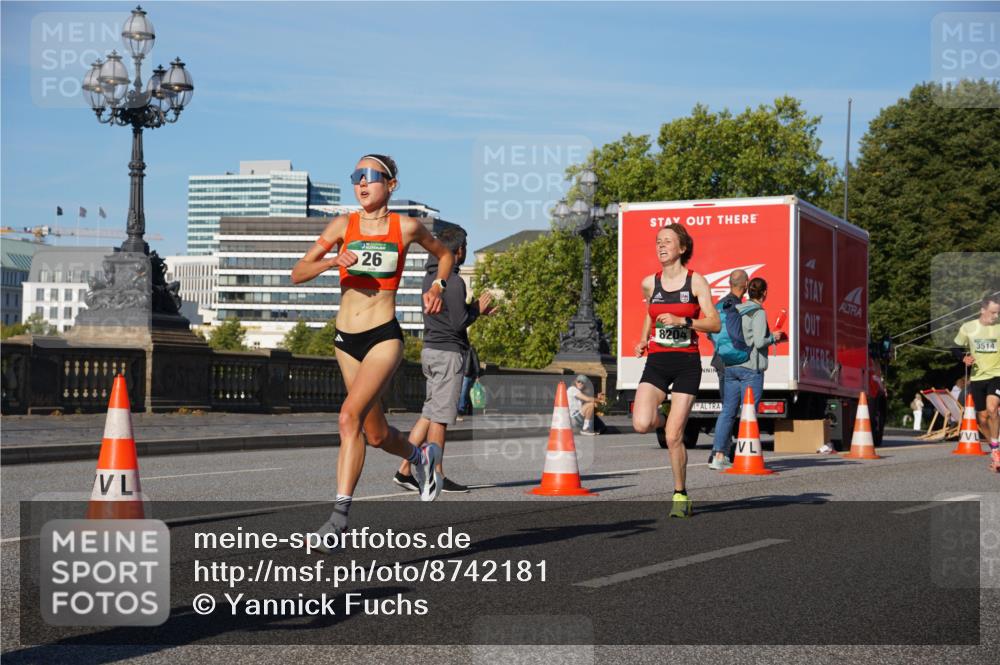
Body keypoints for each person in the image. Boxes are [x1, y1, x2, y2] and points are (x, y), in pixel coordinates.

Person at [291, 154, 454, 548]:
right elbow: (298, 273)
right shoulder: (342, 225)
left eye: (371, 176)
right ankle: (420, 458)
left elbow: (445, 255)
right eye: (356, 177)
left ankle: (338, 517)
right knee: (376, 434)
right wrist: (333, 260)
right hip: (346, 339)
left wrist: (438, 287)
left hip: (383, 335)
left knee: (348, 417)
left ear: (391, 185)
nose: (362, 183)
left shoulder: (406, 226)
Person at [393, 226, 495, 493]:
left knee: (429, 413)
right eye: (465, 248)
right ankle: (436, 474)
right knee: (440, 417)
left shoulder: (430, 280)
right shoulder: (454, 281)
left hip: (430, 350)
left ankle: (405, 470)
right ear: (458, 250)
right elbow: (459, 322)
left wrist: (472, 310)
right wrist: (477, 310)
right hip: (449, 353)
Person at [632, 225, 720, 518]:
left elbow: (714, 323)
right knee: (642, 424)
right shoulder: (650, 283)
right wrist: (644, 337)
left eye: (667, 241)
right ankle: (667, 417)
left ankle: (680, 494)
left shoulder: (696, 282)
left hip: (686, 364)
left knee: (672, 437)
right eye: (658, 241)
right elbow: (650, 312)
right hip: (657, 362)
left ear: (682, 248)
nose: (661, 246)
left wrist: (685, 322)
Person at [708, 277, 786, 469]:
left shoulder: (736, 308)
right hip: (750, 368)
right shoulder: (757, 312)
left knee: (727, 411)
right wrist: (774, 338)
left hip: (731, 365)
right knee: (748, 413)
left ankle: (718, 456)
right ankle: (745, 455)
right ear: (764, 293)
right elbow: (759, 342)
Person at [952, 294, 1000, 470]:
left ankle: (995, 450)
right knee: (982, 418)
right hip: (978, 377)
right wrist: (963, 357)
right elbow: (954, 347)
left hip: (997, 375)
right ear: (982, 310)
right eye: (993, 313)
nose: (996, 317)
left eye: (998, 313)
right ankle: (995, 448)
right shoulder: (968, 327)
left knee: (992, 408)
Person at [707, 269, 748, 464]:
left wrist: (721, 347)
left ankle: (720, 451)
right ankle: (722, 452)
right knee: (733, 408)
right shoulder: (741, 307)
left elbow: (709, 331)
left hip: (720, 360)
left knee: (727, 408)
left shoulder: (718, 305)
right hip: (737, 362)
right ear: (745, 285)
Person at [456, 344, 481, 421]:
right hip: (457, 373)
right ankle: (457, 412)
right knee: (460, 393)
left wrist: (477, 375)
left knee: (464, 394)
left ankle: (460, 413)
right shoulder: (456, 348)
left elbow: (476, 361)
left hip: (467, 374)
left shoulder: (470, 349)